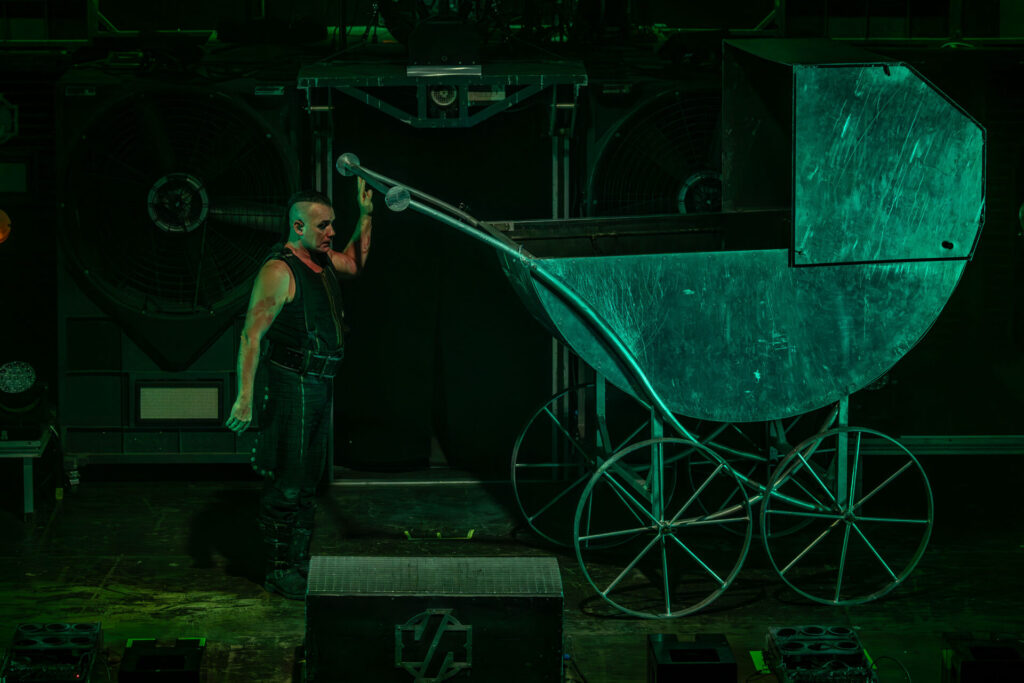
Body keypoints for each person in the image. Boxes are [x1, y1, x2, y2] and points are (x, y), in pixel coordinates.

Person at [226, 178, 373, 599]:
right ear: (297, 227)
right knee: (288, 483)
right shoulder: (279, 271)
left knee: (308, 483)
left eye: (332, 224)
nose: (331, 232)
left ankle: (298, 561)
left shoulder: (321, 262)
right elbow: (251, 336)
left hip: (320, 384)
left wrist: (366, 217)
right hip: (293, 385)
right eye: (323, 225)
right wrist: (244, 398)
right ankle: (278, 569)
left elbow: (355, 264)